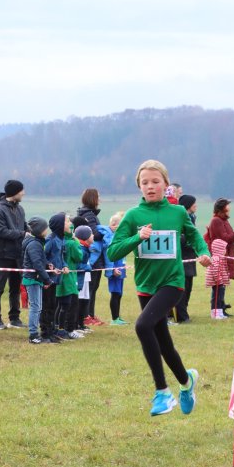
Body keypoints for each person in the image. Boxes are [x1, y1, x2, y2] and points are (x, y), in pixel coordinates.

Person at [106, 159, 211, 416]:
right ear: (139, 186)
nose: (150, 186)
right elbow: (113, 252)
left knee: (143, 326)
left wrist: (203, 252)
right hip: (146, 285)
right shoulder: (133, 216)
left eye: (155, 181)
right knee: (163, 342)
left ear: (166, 184)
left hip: (172, 282)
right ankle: (186, 381)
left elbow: (194, 235)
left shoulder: (178, 212)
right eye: (145, 182)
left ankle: (162, 392)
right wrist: (137, 237)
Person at [0, 180, 26, 330]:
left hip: (18, 255)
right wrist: (22, 234)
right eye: (21, 190)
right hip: (3, 255)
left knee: (15, 288)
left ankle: (14, 318)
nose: (23, 193)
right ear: (15, 192)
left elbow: (25, 226)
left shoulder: (20, 209)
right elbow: (1, 231)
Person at [205, 198, 234, 318]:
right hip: (219, 257)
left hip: (225, 256)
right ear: (222, 208)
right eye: (227, 205)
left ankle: (221, 309)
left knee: (222, 284)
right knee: (218, 285)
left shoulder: (223, 220)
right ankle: (216, 311)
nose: (229, 207)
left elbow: (229, 237)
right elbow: (226, 239)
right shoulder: (216, 221)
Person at [73, 189, 106, 326]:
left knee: (92, 288)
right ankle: (87, 316)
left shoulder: (87, 214)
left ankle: (89, 314)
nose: (100, 199)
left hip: (94, 257)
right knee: (90, 288)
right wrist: (106, 231)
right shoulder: (89, 215)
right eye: (98, 196)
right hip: (93, 257)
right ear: (93, 198)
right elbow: (93, 234)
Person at [21, 217, 54, 344]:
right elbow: (37, 264)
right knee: (35, 307)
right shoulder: (34, 244)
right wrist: (47, 279)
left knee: (38, 307)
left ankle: (35, 333)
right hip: (32, 279)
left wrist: (48, 264)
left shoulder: (38, 243)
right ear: (39, 230)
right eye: (45, 228)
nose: (47, 230)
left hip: (37, 279)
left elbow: (41, 259)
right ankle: (33, 335)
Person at [174, 195, 198, 323]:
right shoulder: (182, 219)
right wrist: (190, 241)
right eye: (194, 203)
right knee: (182, 290)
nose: (196, 205)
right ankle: (181, 316)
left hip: (190, 258)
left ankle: (184, 313)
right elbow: (179, 238)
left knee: (188, 288)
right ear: (188, 205)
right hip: (182, 258)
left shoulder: (192, 218)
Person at [105, 211, 127, 325]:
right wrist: (113, 269)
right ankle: (114, 319)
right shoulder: (110, 238)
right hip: (115, 271)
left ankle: (118, 317)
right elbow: (109, 256)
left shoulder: (118, 237)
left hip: (121, 269)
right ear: (114, 225)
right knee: (115, 293)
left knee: (119, 294)